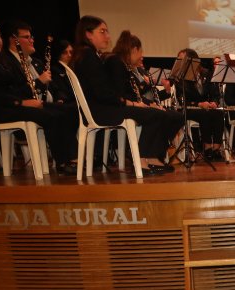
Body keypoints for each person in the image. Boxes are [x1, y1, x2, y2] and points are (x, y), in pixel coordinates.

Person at [71, 17, 183, 176]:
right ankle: (142, 159)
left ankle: (151, 157)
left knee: (160, 114)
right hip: (100, 111)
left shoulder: (89, 55)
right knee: (155, 114)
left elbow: (106, 91)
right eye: (102, 32)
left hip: (102, 107)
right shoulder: (88, 56)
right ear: (88, 34)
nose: (107, 36)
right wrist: (130, 103)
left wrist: (134, 102)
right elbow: (103, 93)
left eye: (107, 32)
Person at [0, 19, 79, 176]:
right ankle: (65, 161)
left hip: (15, 104)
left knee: (66, 110)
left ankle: (74, 157)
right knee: (51, 115)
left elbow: (13, 88)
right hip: (2, 109)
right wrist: (21, 102)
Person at [173, 48, 228, 162]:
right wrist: (199, 104)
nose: (181, 63)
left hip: (206, 107)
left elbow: (215, 93)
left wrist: (214, 102)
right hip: (190, 108)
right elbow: (181, 100)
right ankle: (207, 148)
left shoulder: (206, 73)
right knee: (204, 114)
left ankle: (216, 148)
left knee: (218, 113)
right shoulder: (180, 77)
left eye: (183, 60)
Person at [49, 39, 75, 104]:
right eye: (65, 52)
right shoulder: (54, 71)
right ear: (58, 54)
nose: (69, 55)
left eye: (71, 52)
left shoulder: (75, 68)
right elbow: (61, 92)